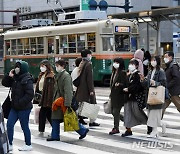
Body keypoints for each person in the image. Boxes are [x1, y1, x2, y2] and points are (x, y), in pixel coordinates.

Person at [47, 59, 89, 141]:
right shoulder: (60, 75)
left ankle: (82, 130)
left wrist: (67, 103)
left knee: (67, 118)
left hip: (62, 101)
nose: (56, 67)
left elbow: (68, 91)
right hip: (59, 101)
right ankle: (55, 135)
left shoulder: (65, 76)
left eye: (57, 66)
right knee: (58, 118)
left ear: (62, 66)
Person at [1, 60, 34, 151]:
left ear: (23, 68)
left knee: (24, 126)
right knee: (9, 125)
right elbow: (4, 83)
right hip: (14, 107)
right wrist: (9, 75)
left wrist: (20, 103)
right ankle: (10, 143)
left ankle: (28, 144)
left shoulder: (27, 79)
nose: (16, 69)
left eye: (18, 67)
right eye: (16, 67)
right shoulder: (15, 78)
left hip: (24, 108)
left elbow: (30, 94)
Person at [122, 59, 147, 137]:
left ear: (136, 66)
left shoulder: (137, 75)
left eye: (133, 64)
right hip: (128, 97)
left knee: (138, 113)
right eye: (130, 64)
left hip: (135, 97)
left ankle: (149, 124)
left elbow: (137, 86)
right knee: (127, 113)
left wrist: (129, 89)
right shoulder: (129, 74)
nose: (130, 65)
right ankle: (128, 129)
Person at [143, 56, 167, 138]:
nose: (152, 62)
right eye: (151, 60)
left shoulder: (160, 71)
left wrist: (155, 83)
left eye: (154, 60)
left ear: (157, 61)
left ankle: (154, 131)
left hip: (157, 95)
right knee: (151, 114)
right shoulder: (150, 71)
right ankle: (162, 124)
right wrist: (144, 80)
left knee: (153, 115)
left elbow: (163, 83)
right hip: (150, 95)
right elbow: (147, 83)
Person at [75, 49, 100, 127]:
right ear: (88, 55)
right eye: (90, 54)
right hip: (87, 88)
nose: (91, 56)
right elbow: (89, 78)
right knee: (92, 103)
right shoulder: (88, 64)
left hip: (81, 88)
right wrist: (91, 90)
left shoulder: (82, 63)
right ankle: (92, 121)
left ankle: (80, 119)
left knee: (82, 104)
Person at [34, 60, 55, 137]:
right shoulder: (41, 75)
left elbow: (51, 89)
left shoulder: (50, 76)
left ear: (47, 67)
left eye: (43, 66)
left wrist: (49, 100)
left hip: (47, 98)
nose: (41, 67)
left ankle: (42, 131)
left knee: (43, 114)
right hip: (42, 97)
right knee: (47, 114)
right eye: (41, 66)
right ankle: (53, 130)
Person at [109, 58, 128, 135]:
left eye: (117, 62)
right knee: (113, 112)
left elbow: (125, 84)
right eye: (114, 62)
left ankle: (116, 128)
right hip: (113, 95)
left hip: (119, 96)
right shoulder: (114, 72)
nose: (115, 64)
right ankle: (126, 120)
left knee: (115, 112)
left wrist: (119, 84)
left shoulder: (122, 73)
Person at [162, 51, 180, 117]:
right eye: (164, 57)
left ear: (171, 57)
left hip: (173, 92)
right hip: (169, 91)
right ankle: (157, 120)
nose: (165, 58)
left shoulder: (173, 66)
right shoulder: (168, 66)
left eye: (166, 57)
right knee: (162, 106)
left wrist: (168, 85)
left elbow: (176, 78)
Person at [71, 57, 87, 125]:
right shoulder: (78, 70)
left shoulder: (75, 70)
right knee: (78, 105)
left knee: (78, 105)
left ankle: (80, 118)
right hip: (76, 90)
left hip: (75, 89)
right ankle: (79, 118)